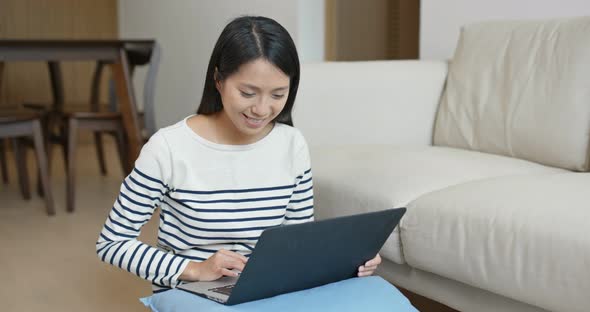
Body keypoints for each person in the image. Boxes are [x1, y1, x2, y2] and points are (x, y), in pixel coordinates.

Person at [96, 15, 381, 293]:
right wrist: (195, 268)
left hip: (268, 289)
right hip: (193, 291)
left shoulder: (292, 144)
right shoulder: (168, 148)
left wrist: (349, 260)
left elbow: (298, 243)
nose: (262, 109)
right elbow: (112, 243)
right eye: (247, 93)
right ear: (218, 80)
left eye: (278, 94)